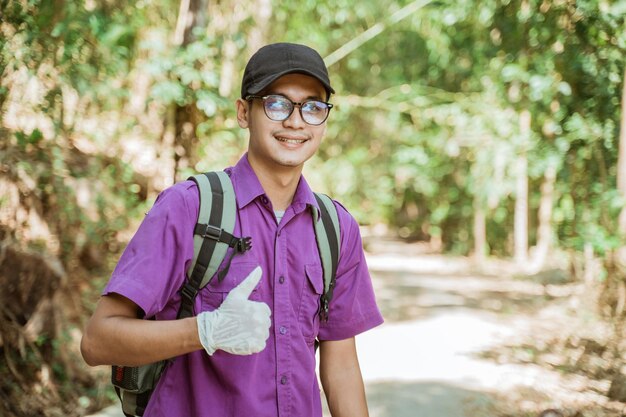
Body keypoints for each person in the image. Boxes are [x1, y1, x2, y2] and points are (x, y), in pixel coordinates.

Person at [81, 42, 384, 417]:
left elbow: (340, 365)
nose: (295, 120)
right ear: (244, 112)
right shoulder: (188, 207)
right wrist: (206, 331)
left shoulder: (336, 229)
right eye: (276, 103)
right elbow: (97, 341)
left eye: (312, 106)